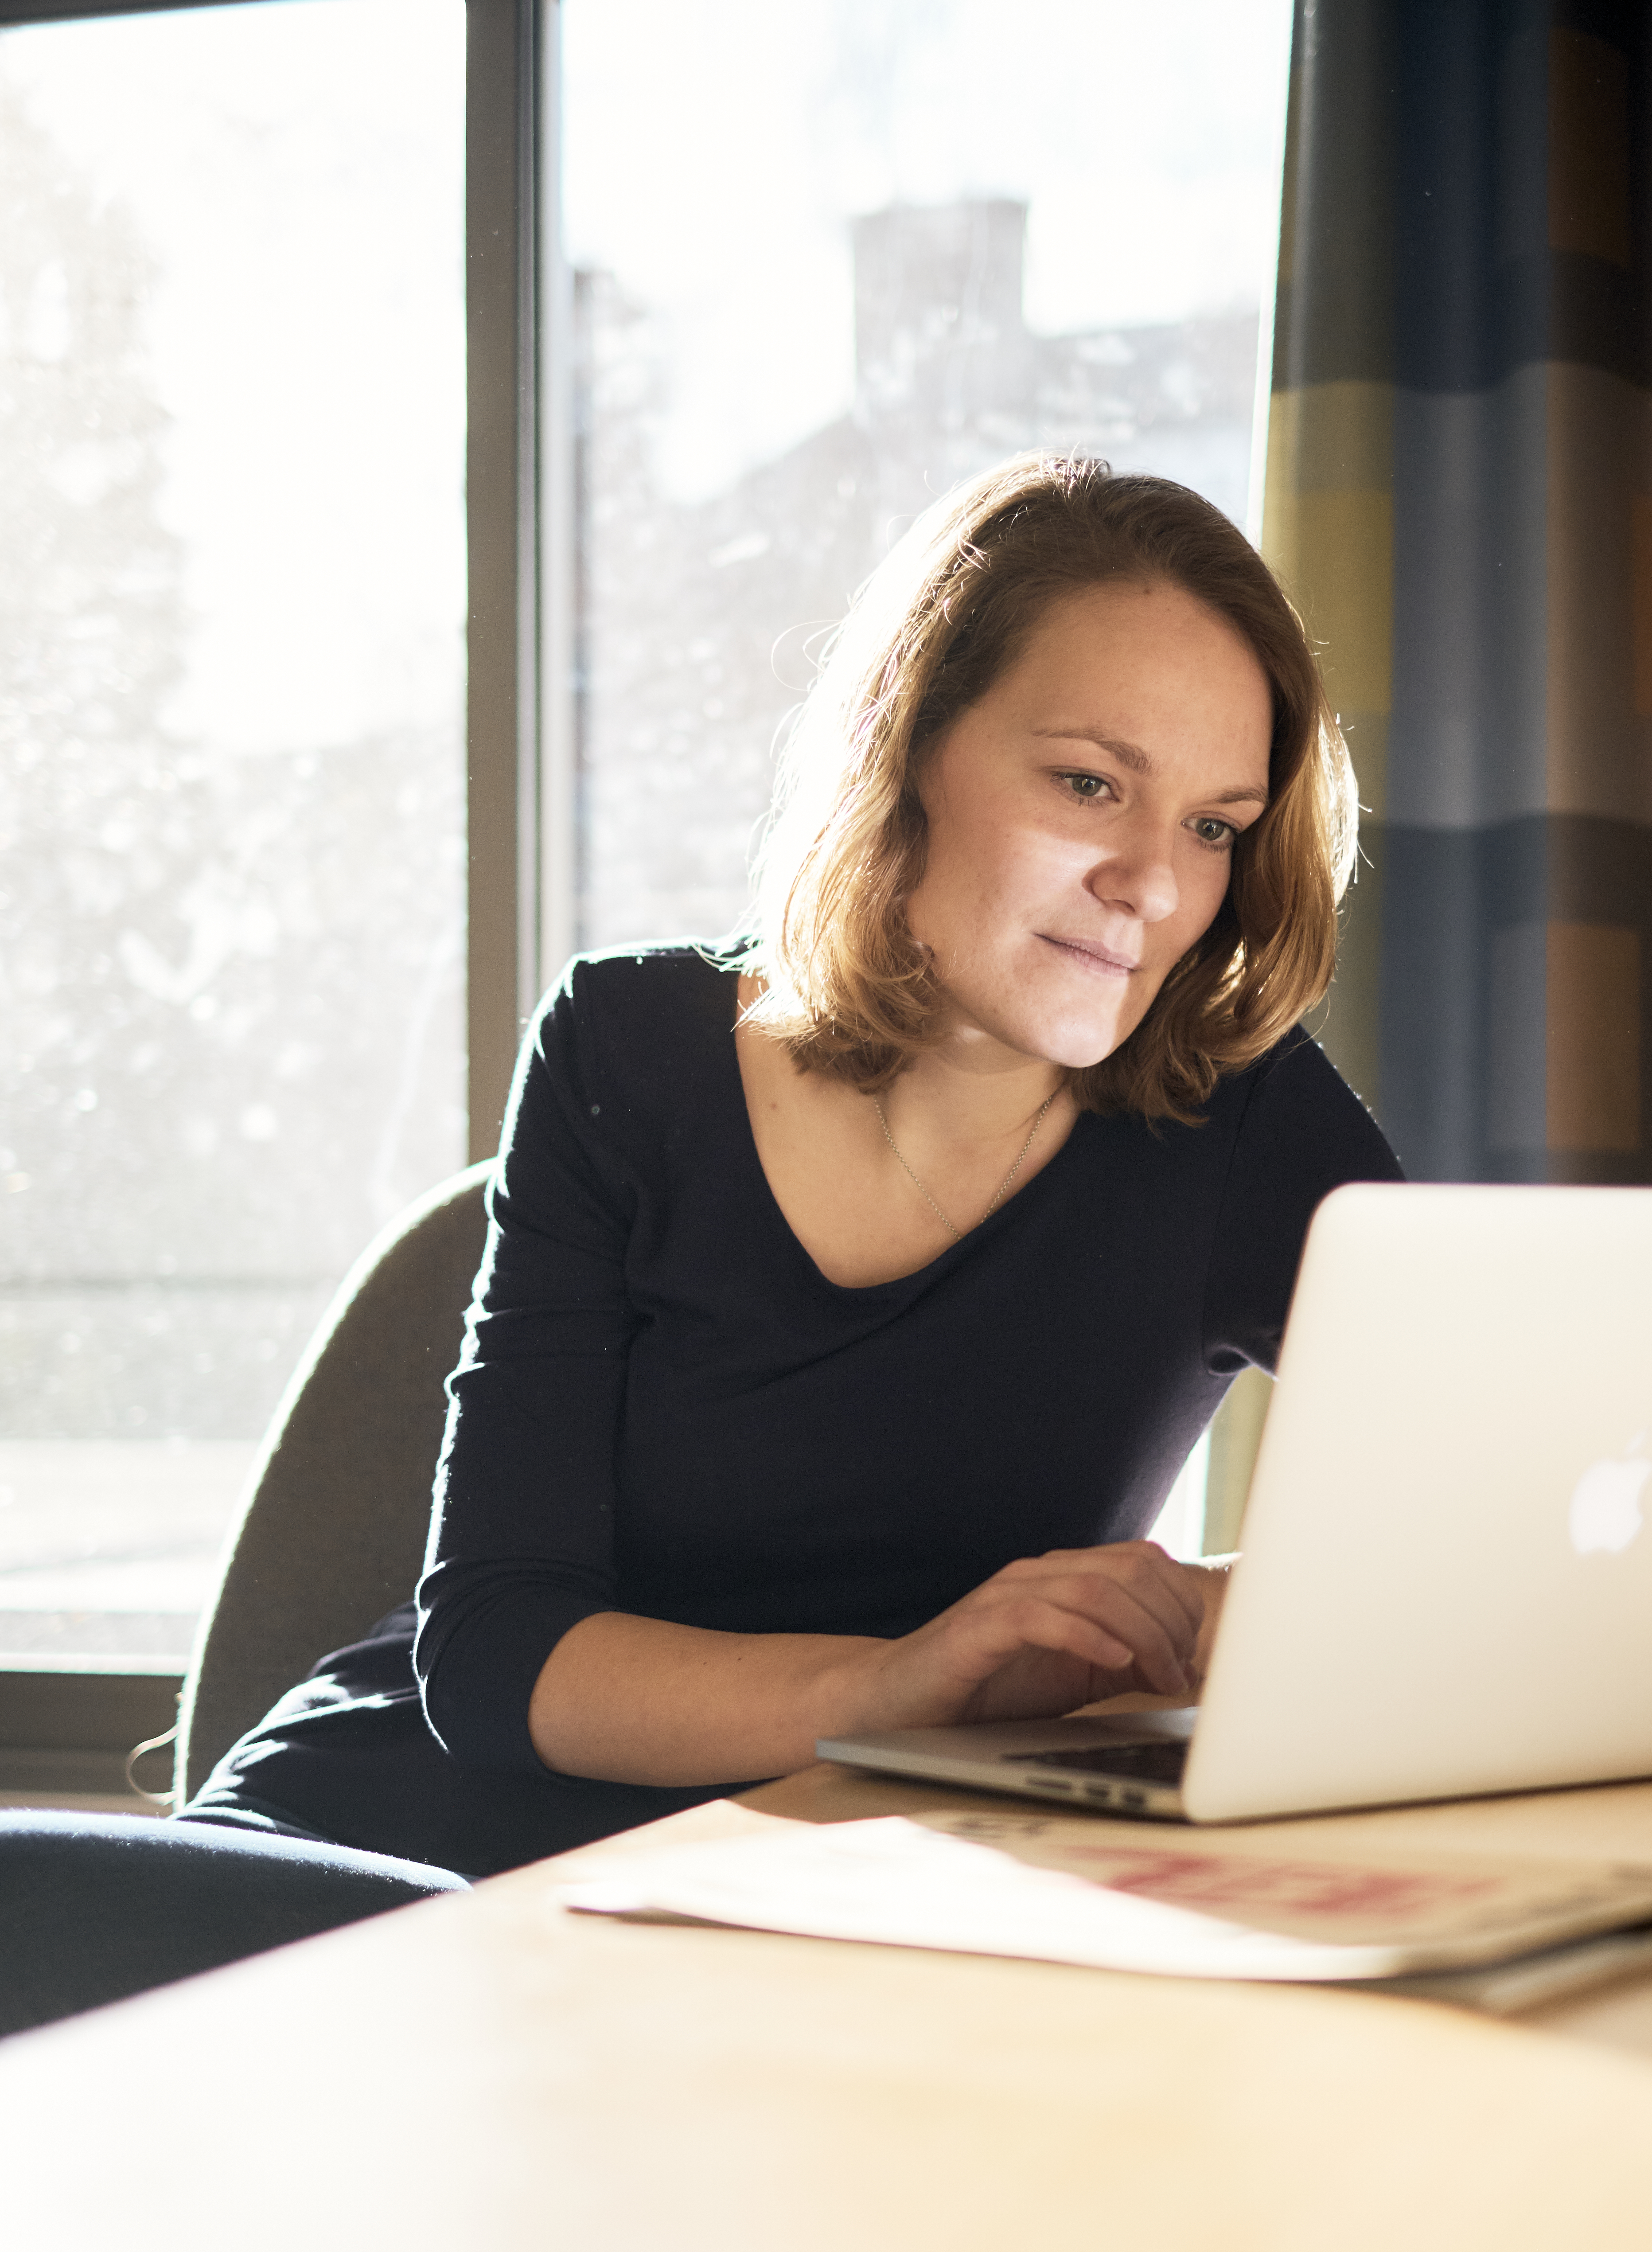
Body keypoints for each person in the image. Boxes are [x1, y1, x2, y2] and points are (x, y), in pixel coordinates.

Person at [4, 452, 1401, 2032]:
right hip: (399, 1875)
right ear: (914, 751)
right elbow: (492, 1649)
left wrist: (1225, 1608)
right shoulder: (629, 1051)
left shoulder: (1239, 1126)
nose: (1154, 884)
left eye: (1216, 824)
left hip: (793, 1914)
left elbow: (1504, 1504)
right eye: (1090, 783)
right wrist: (891, 1690)